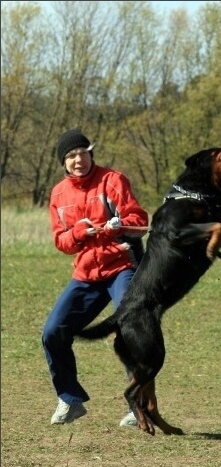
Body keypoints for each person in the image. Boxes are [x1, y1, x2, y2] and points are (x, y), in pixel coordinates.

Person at [42, 129, 149, 427]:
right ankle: (69, 398)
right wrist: (78, 233)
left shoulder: (112, 180)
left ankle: (139, 405)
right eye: (71, 156)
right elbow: (61, 241)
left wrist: (119, 225)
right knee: (53, 332)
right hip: (86, 273)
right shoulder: (58, 194)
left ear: (91, 154)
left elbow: (139, 221)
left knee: (129, 329)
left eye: (82, 153)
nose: (78, 160)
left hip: (121, 267)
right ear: (63, 162)